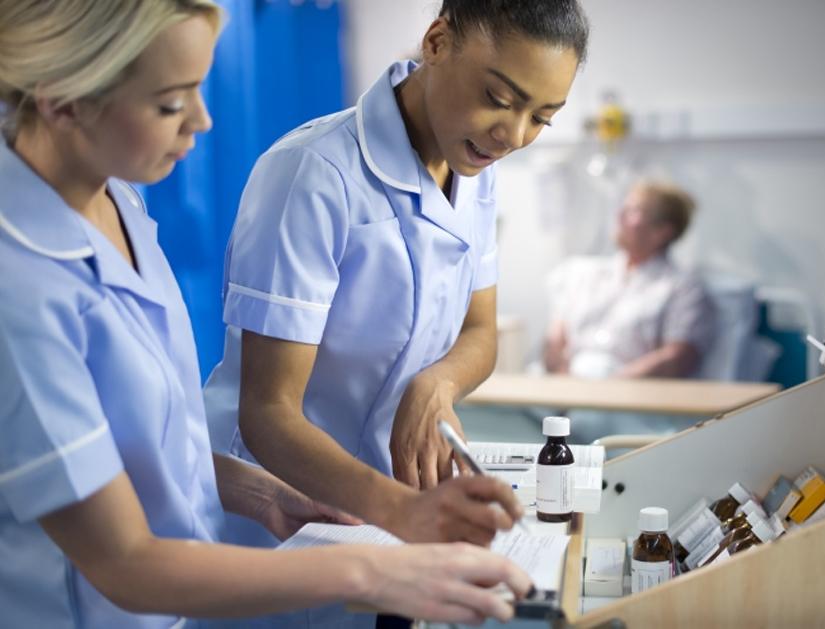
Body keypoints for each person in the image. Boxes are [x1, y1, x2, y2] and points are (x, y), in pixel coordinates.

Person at [0, 1, 530, 627]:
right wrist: (379, 566)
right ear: (62, 100)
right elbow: (123, 564)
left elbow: (141, 441)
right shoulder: (19, 289)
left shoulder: (116, 200)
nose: (202, 119)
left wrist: (256, 489)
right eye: (171, 102)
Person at [203, 0, 588, 546]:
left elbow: (480, 332)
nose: (514, 135)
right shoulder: (313, 174)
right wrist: (404, 512)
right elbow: (269, 414)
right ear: (435, 43)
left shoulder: (473, 168)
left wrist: (438, 384)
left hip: (385, 507)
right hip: (281, 510)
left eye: (542, 118)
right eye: (497, 99)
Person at [544, 181, 716, 380]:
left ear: (662, 231)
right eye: (623, 208)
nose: (619, 216)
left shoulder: (681, 287)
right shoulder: (585, 274)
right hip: (564, 385)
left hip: (625, 393)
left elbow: (677, 357)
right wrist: (561, 378)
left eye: (634, 211)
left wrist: (611, 387)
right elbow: (555, 338)